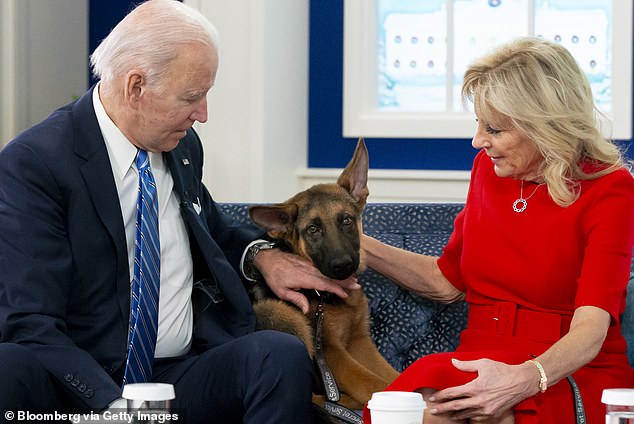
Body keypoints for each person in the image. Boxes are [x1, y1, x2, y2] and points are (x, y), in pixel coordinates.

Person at [0, 1, 359, 422]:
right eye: (192, 96)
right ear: (136, 87)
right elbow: (29, 321)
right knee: (9, 366)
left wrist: (263, 257)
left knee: (276, 354)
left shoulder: (180, 146)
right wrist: (120, 408)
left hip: (175, 375)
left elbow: (210, 226)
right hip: (81, 382)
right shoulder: (36, 164)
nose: (203, 114)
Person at [361, 37, 634, 424]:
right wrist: (356, 244)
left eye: (494, 129)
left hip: (562, 370)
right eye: (478, 124)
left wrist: (524, 378)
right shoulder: (487, 171)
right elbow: (447, 280)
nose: (478, 141)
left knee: (475, 416)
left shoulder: (610, 188)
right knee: (400, 410)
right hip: (477, 358)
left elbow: (591, 329)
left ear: (544, 125)